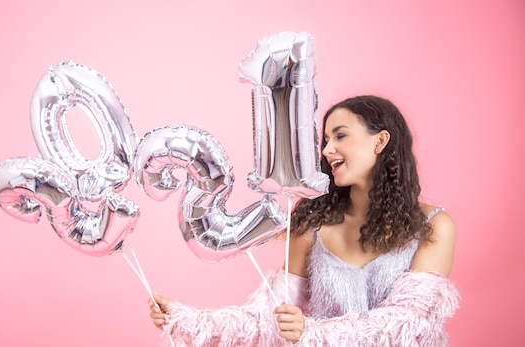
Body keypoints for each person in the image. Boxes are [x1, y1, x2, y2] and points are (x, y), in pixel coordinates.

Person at [148, 95, 459, 346]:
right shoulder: (313, 222)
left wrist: (312, 334)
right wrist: (187, 320)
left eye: (340, 136)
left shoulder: (434, 226)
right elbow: (268, 320)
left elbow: (407, 325)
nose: (327, 150)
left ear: (380, 142)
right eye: (325, 139)